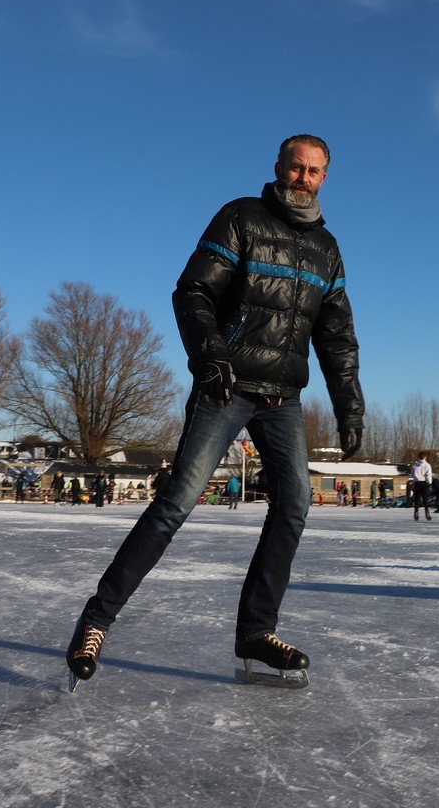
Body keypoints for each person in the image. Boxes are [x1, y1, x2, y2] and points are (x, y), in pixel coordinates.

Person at [65, 134, 363, 690]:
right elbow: (193, 291)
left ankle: (256, 631)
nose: (303, 178)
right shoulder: (241, 217)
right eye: (295, 167)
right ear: (278, 167)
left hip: (283, 398)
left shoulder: (328, 247)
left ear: (325, 177)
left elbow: (336, 334)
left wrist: (350, 406)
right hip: (227, 387)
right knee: (176, 503)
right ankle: (95, 622)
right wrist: (210, 356)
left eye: (314, 171)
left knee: (294, 505)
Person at [409, 453, 433, 521]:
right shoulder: (427, 465)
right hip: (424, 483)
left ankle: (416, 513)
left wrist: (413, 483)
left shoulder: (415, 465)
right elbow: (429, 474)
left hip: (417, 483)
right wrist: (430, 483)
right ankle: (427, 514)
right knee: (425, 500)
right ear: (425, 457)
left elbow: (412, 475)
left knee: (417, 499)